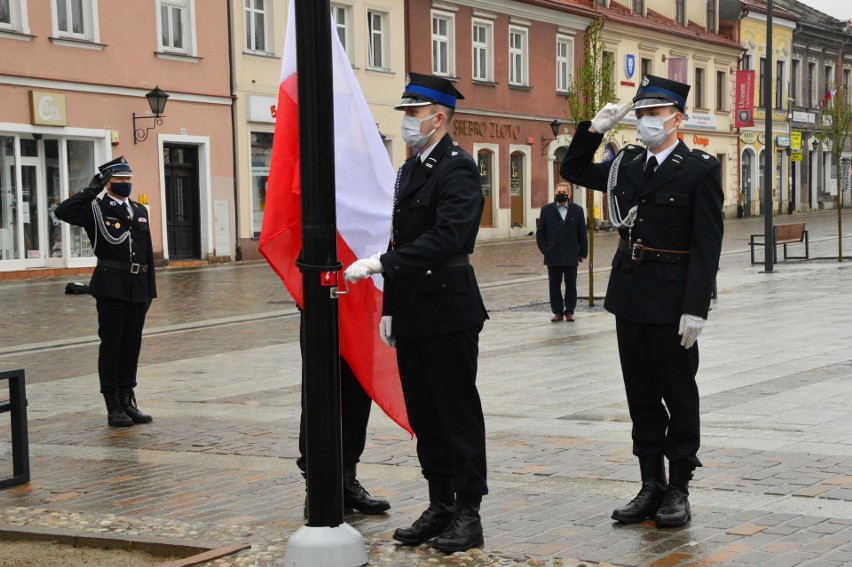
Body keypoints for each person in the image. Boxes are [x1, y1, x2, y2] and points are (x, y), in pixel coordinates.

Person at [560, 75, 723, 528]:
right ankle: (649, 483)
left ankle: (678, 488)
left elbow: (706, 245)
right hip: (630, 295)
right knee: (641, 396)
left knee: (679, 394)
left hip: (672, 301)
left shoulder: (699, 170)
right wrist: (592, 131)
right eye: (642, 114)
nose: (646, 121)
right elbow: (572, 171)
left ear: (678, 119)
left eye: (655, 114)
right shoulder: (626, 164)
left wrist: (696, 307)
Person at [343, 72, 489, 553]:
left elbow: (447, 237)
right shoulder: (409, 170)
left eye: (412, 113)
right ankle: (439, 503)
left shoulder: (458, 167)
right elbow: (401, 236)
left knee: (456, 414)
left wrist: (382, 266)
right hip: (414, 309)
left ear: (438, 117)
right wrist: (392, 304)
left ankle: (469, 513)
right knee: (426, 416)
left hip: (449, 306)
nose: (407, 122)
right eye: (406, 113)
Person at [54, 156, 156, 428]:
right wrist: (91, 190)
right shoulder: (95, 208)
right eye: (119, 179)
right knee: (112, 345)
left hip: (138, 286)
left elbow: (146, 253)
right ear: (107, 182)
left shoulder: (139, 209)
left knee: (131, 345)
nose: (125, 183)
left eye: (128, 179)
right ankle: (112, 404)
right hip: (111, 284)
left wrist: (150, 291)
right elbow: (62, 212)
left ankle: (127, 399)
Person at [295, 311, 390, 516]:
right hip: (319, 305)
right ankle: (317, 486)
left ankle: (346, 480)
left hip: (359, 304)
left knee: (358, 391)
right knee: (319, 392)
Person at [536, 183, 588, 322]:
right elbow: (540, 232)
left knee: (571, 284)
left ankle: (569, 311)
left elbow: (582, 233)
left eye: (564, 191)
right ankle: (557, 311)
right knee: (554, 284)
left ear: (569, 194)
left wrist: (583, 252)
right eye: (558, 191)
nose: (561, 193)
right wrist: (545, 250)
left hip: (571, 254)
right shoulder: (547, 210)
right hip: (553, 254)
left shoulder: (577, 210)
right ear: (554, 193)